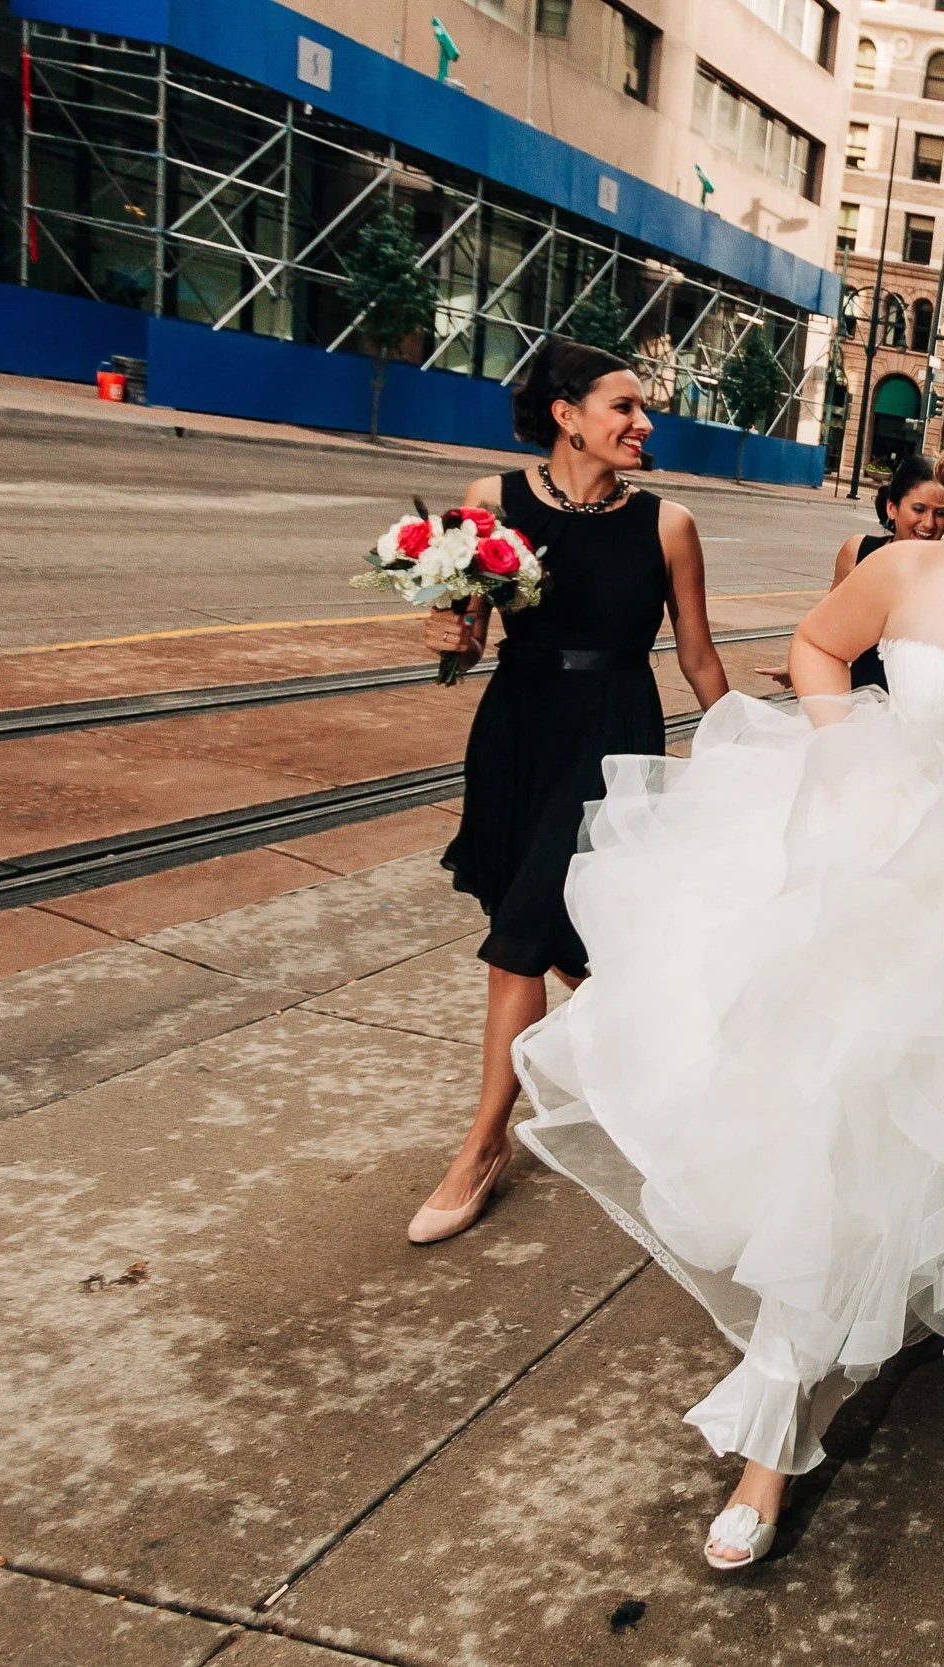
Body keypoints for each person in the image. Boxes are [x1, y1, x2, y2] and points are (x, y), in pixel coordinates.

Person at [508, 395, 944, 1571]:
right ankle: (768, 1443)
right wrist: (851, 757)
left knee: (929, 1163)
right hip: (882, 892)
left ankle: (841, 1343)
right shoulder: (907, 566)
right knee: (838, 1144)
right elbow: (815, 648)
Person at [408, 342, 728, 1245]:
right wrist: (445, 634)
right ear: (566, 413)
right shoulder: (488, 504)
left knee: (517, 946)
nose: (644, 423)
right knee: (568, 946)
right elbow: (463, 642)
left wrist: (747, 747)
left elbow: (697, 655)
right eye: (625, 406)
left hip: (610, 740)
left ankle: (481, 1146)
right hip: (516, 730)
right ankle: (681, 1078)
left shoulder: (670, 524)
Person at [836, 453, 944, 690]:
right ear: (892, 507)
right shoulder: (858, 551)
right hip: (858, 704)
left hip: (919, 710)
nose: (929, 524)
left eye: (941, 513)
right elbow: (828, 632)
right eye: (919, 509)